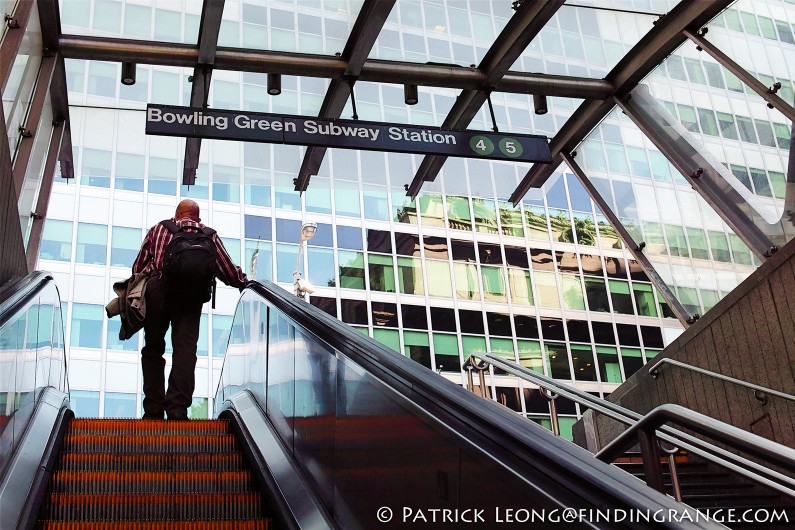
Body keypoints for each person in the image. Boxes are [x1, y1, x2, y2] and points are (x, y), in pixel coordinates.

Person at [132, 199, 247, 420]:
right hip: (191, 298)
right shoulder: (208, 234)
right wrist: (244, 282)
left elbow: (138, 267)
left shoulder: (158, 229)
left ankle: (153, 410)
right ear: (198, 217)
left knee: (153, 349)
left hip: (158, 293)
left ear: (176, 214)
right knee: (185, 351)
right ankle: (177, 409)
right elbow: (227, 270)